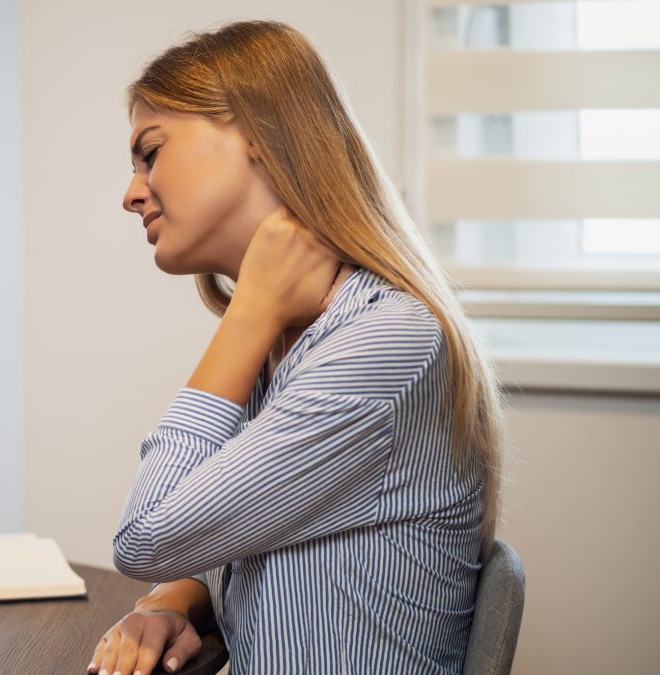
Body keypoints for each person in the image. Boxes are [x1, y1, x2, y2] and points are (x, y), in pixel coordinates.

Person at [87, 20, 504, 675]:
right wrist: (176, 598)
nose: (131, 192)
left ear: (255, 132)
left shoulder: (384, 344)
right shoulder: (301, 337)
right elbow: (262, 531)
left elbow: (145, 535)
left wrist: (248, 313)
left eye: (151, 152)